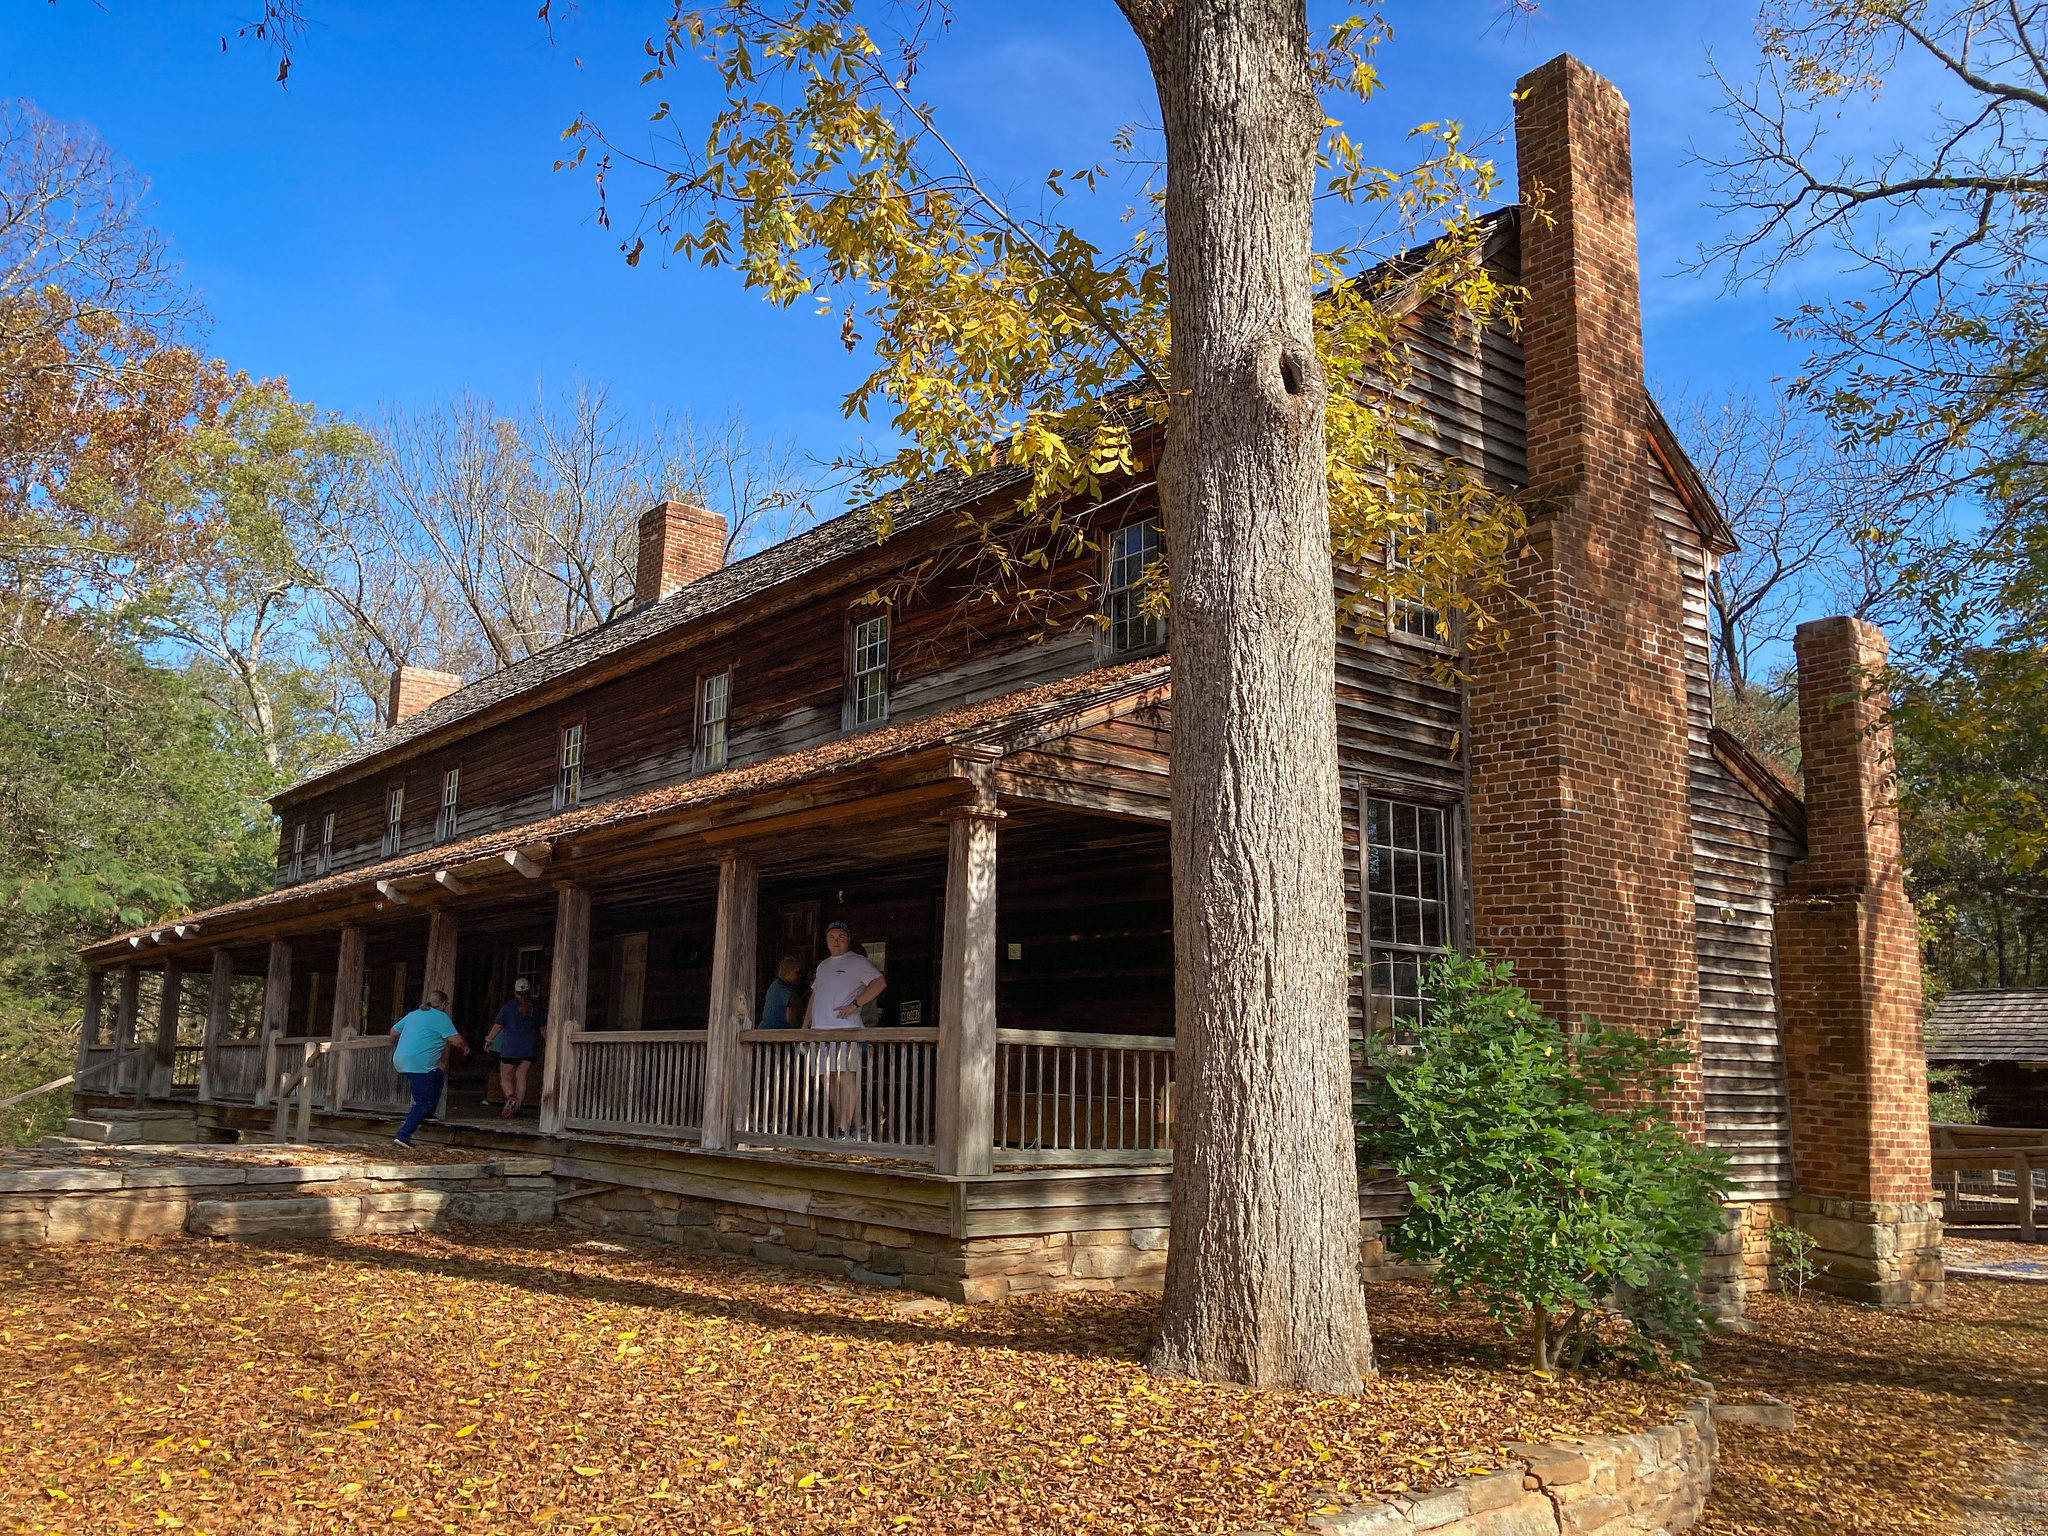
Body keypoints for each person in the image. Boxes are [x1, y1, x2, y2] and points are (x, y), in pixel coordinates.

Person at [804, 922, 885, 1138]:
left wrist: (855, 1004)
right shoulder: (823, 966)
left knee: (845, 1076)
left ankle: (841, 1128)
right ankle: (846, 1123)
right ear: (826, 940)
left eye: (841, 936)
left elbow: (879, 983)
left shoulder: (858, 962)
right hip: (820, 1031)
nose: (836, 941)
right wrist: (805, 1028)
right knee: (827, 1079)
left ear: (848, 940)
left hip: (845, 1030)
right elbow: (814, 997)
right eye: (831, 936)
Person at [390, 989, 467, 1147]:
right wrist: (465, 1046)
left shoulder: (413, 1014)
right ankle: (403, 1136)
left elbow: (393, 1031)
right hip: (420, 1064)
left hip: (401, 1060)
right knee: (422, 1102)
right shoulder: (441, 1017)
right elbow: (456, 1040)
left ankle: (428, 1113)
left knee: (438, 1075)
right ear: (444, 1004)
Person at [485, 977, 546, 1119]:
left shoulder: (509, 1006)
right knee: (521, 1077)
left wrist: (489, 1039)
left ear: (515, 992)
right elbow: (543, 1028)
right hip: (529, 1047)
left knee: (506, 1076)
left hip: (510, 1047)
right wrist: (548, 1043)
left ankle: (510, 1097)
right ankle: (517, 1108)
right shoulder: (537, 1007)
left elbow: (498, 1025)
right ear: (530, 991)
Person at [760, 956, 802, 1030]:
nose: (799, 976)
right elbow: (790, 1015)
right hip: (775, 1030)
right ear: (789, 971)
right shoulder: (783, 990)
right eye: (797, 972)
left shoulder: (775, 986)